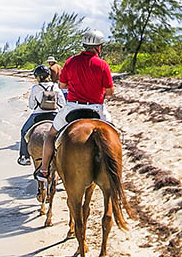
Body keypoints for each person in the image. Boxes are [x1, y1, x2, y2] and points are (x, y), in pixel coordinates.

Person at [35, 30, 113, 181]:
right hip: (97, 108)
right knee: (114, 135)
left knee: (50, 135)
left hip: (73, 107)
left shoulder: (70, 61)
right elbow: (110, 92)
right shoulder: (103, 64)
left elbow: (63, 86)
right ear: (99, 47)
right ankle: (114, 168)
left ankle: (44, 170)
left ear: (84, 45)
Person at [17, 64, 66, 166]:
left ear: (38, 77)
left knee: (23, 131)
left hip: (38, 116)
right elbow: (63, 104)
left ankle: (25, 157)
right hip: (54, 116)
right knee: (67, 133)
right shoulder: (55, 87)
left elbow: (31, 105)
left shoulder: (35, 88)